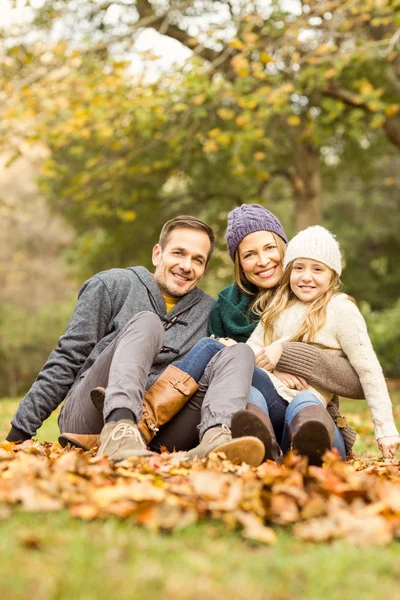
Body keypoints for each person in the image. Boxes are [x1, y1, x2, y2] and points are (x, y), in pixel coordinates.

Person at [6, 215, 265, 465]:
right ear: (157, 254)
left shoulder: (208, 310)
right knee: (147, 322)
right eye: (178, 253)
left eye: (197, 259)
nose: (187, 266)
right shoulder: (112, 285)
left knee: (238, 352)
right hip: (91, 414)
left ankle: (216, 442)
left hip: (160, 429)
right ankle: (119, 429)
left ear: (204, 269)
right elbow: (66, 359)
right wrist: (18, 434)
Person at [146, 204, 364, 461]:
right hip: (251, 414)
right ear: (239, 262)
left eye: (270, 248)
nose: (262, 261)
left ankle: (300, 453)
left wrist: (285, 355)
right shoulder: (224, 308)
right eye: (249, 254)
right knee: (248, 393)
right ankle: (262, 452)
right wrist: (266, 367)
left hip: (310, 415)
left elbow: (359, 381)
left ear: (285, 247)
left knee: (306, 411)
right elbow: (214, 378)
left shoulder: (312, 294)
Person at [238, 225, 400, 463]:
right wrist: (274, 367)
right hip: (275, 410)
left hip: (315, 416)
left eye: (317, 269)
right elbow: (252, 349)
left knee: (305, 402)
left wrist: (385, 429)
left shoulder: (341, 310)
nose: (306, 277)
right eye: (299, 268)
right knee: (250, 391)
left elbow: (368, 370)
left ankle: (308, 448)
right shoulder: (277, 307)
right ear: (289, 271)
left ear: (333, 275)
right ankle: (262, 449)